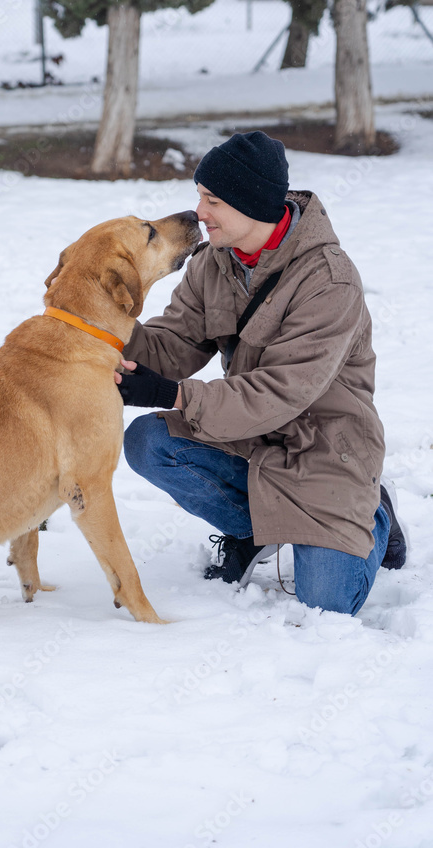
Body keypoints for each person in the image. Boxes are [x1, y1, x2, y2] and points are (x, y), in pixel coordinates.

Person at [115, 130, 406, 615]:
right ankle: (251, 531)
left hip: (325, 449)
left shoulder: (328, 281)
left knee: (325, 604)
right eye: (200, 197)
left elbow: (277, 394)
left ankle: (374, 512)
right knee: (149, 442)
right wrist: (102, 315)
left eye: (212, 200)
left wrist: (172, 394)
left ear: (252, 205)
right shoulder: (212, 263)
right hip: (250, 437)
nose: (199, 213)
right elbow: (172, 347)